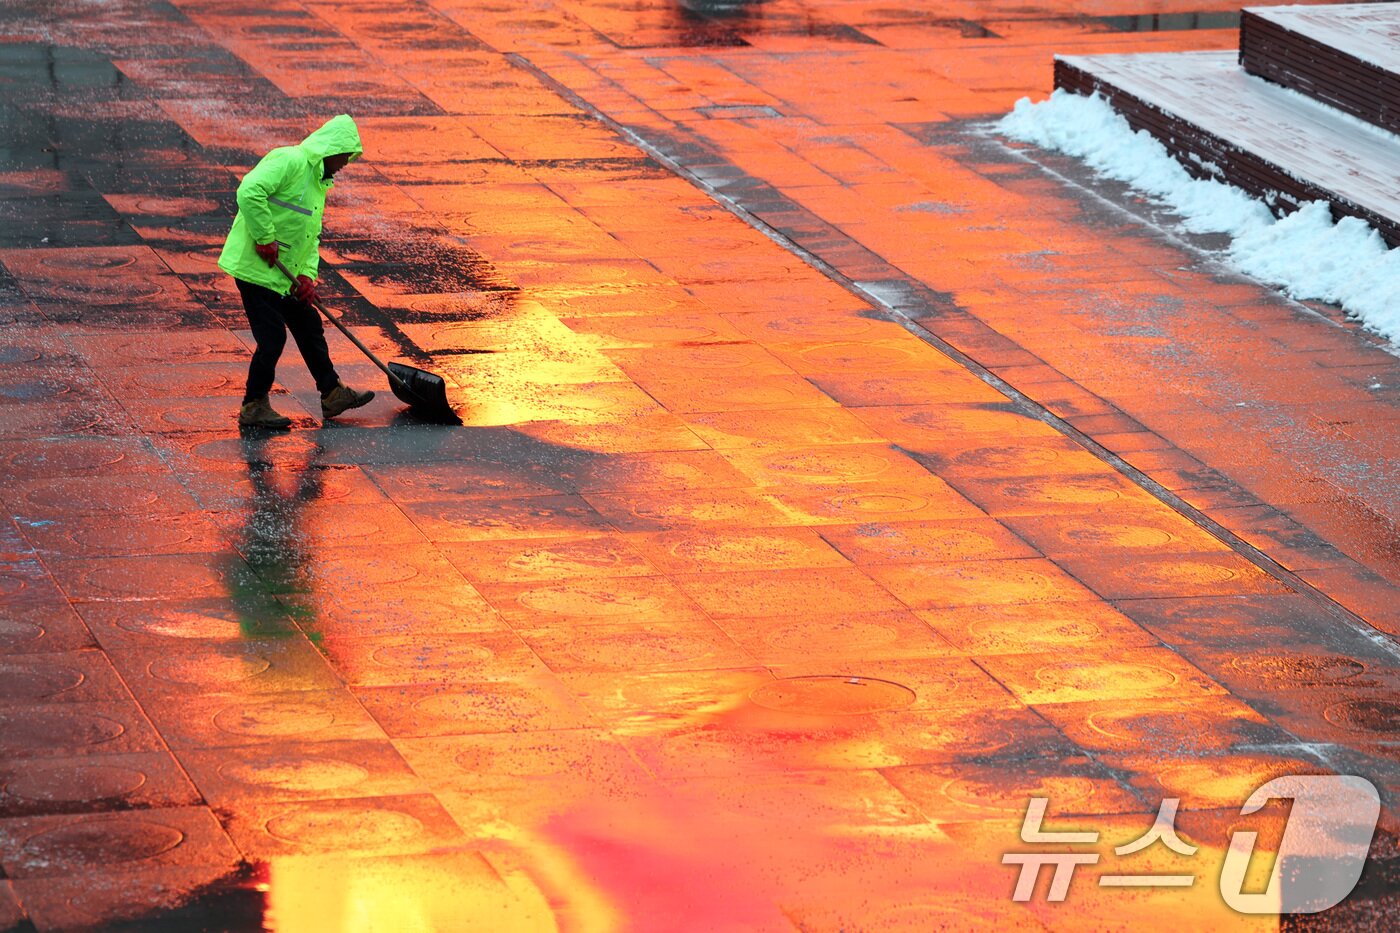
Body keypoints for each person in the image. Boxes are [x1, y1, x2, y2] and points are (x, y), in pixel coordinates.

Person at [218, 114, 374, 428]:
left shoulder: (318, 184)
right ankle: (253, 406)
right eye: (344, 156)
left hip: (284, 273)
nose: (345, 163)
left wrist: (306, 275)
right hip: (255, 269)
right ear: (331, 149)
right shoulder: (289, 161)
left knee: (308, 324)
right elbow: (249, 191)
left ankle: (332, 393)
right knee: (272, 337)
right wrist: (265, 237)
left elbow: (308, 235)